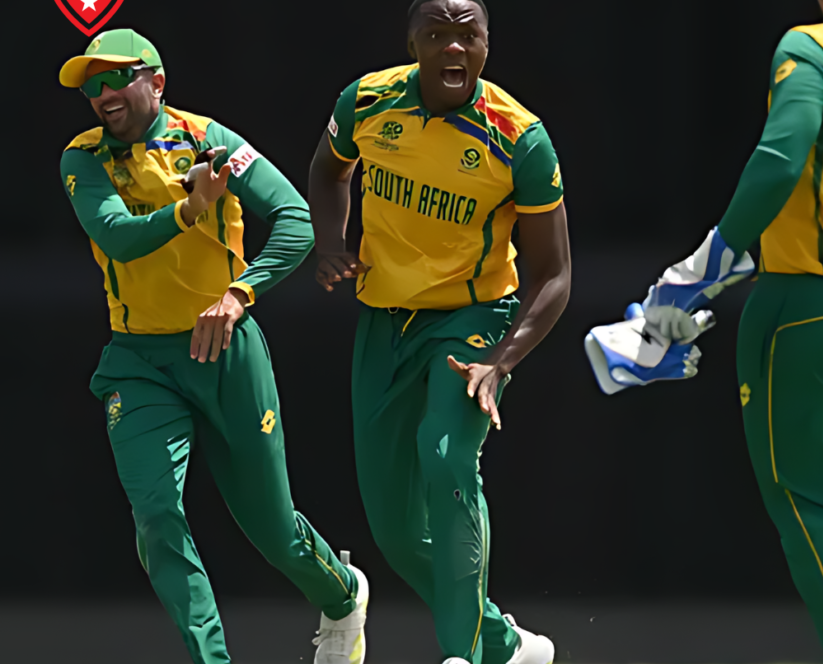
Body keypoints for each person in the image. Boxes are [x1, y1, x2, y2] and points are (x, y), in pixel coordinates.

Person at [59, 28, 369, 664]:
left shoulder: (210, 140)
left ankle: (342, 596)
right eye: (91, 85)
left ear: (157, 82)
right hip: (140, 361)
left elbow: (297, 221)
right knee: (156, 519)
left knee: (273, 528)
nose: (102, 94)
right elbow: (115, 237)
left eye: (116, 77)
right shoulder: (82, 158)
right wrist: (188, 209)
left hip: (225, 351)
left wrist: (239, 295)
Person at [308, 1, 571, 663]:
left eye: (468, 36)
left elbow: (555, 273)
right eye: (437, 35)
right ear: (413, 43)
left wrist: (501, 363)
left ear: (487, 44)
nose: (453, 49)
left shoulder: (519, 136)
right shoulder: (367, 101)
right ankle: (506, 646)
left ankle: (464, 652)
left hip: (472, 320)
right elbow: (328, 168)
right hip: (385, 319)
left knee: (447, 457)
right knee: (393, 527)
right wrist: (329, 241)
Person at [630, 2, 823, 662]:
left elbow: (780, 158)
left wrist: (702, 266)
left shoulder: (813, 46)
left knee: (809, 506)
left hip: (808, 304)